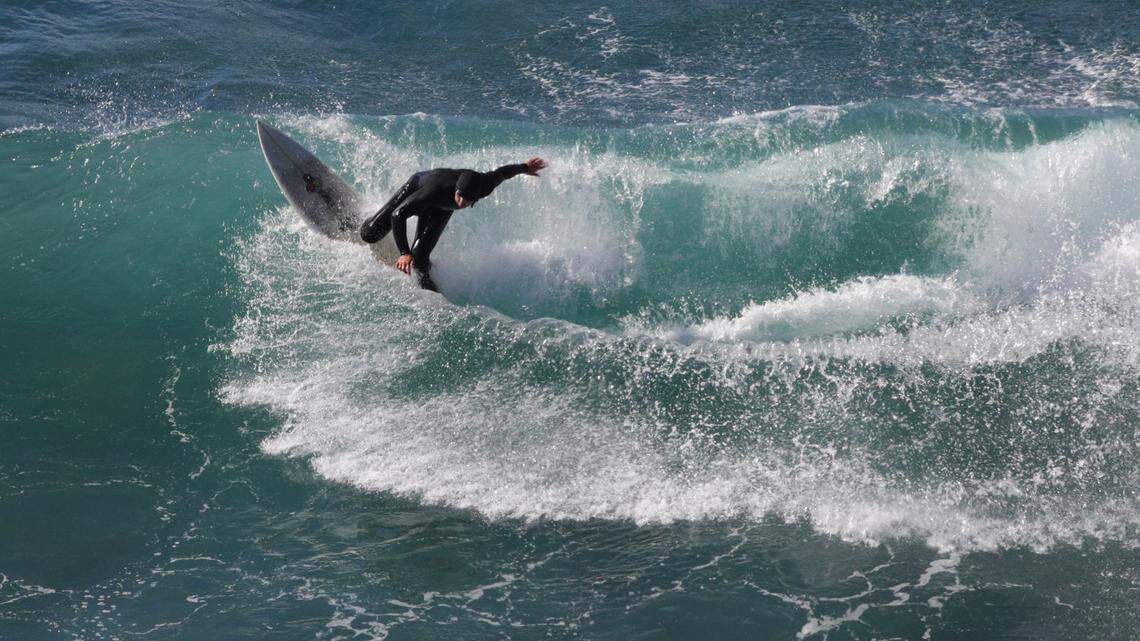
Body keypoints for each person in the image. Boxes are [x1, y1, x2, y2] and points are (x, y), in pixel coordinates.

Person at [360, 157, 549, 291]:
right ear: (456, 190)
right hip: (419, 187)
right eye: (460, 197)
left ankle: (429, 289)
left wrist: (525, 167)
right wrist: (404, 253)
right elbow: (398, 215)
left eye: (467, 200)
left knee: (420, 260)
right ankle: (364, 219)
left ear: (476, 196)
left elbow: (503, 173)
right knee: (370, 234)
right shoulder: (433, 191)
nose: (461, 203)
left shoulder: (485, 185)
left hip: (440, 209)